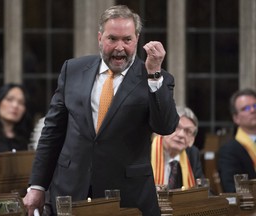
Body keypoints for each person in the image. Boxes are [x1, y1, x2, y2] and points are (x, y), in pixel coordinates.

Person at [23, 5, 179, 216]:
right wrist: (37, 186)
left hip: (127, 196)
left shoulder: (156, 78)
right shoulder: (73, 69)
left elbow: (166, 126)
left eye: (127, 40)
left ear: (137, 39)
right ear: (100, 38)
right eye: (112, 39)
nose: (119, 47)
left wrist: (153, 75)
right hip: (70, 190)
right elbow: (52, 132)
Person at [151, 106, 205, 190]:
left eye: (188, 131)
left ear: (192, 140)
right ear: (163, 128)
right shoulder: (146, 150)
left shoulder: (192, 154)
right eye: (176, 127)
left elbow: (203, 191)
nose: (181, 135)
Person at [218, 88, 256, 192]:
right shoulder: (229, 151)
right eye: (246, 108)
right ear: (236, 118)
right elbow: (232, 189)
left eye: (255, 106)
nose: (253, 110)